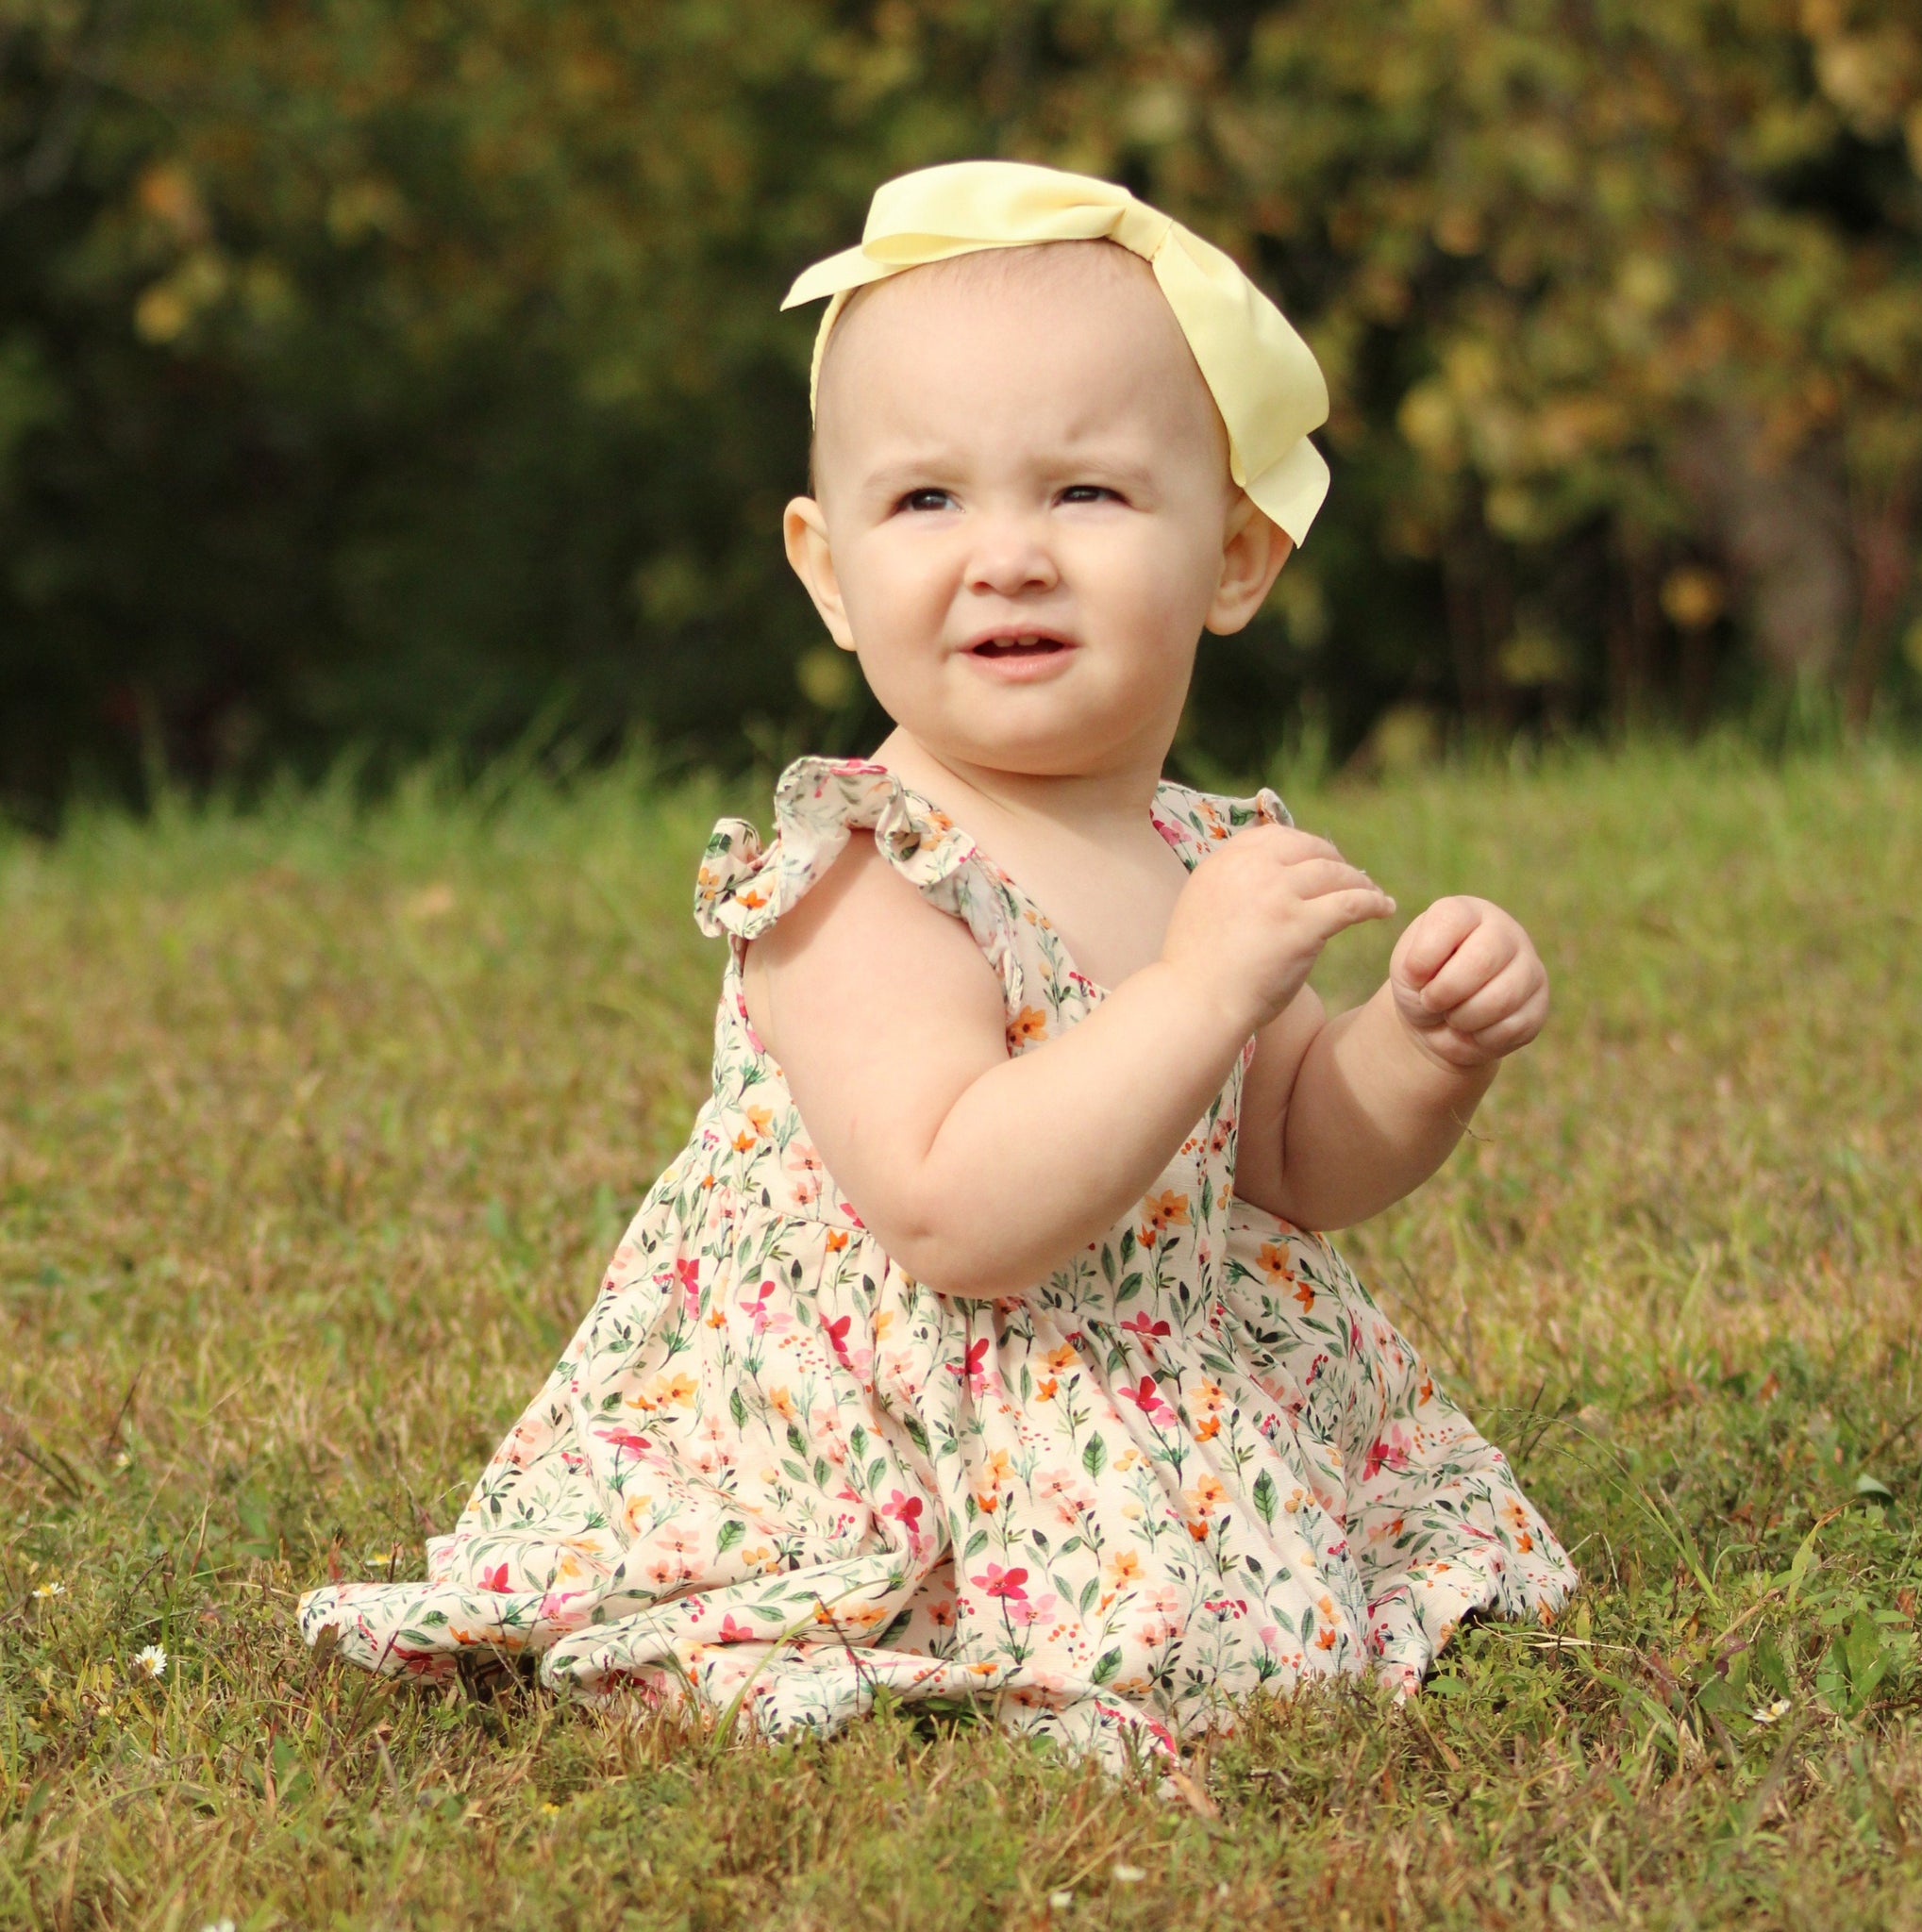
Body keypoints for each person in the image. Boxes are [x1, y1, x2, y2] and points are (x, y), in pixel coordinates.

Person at [298, 159, 1573, 1772]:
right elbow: (955, 1213)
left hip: (1149, 1358)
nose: (1009, 556)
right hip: (896, 1411)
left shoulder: (1200, 852)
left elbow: (1294, 1158)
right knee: (1026, 1632)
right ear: (829, 568)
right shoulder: (861, 870)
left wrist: (1421, 1047)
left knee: (1301, 1620)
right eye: (929, 501)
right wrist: (1195, 992)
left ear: (1236, 557)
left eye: (1086, 493)